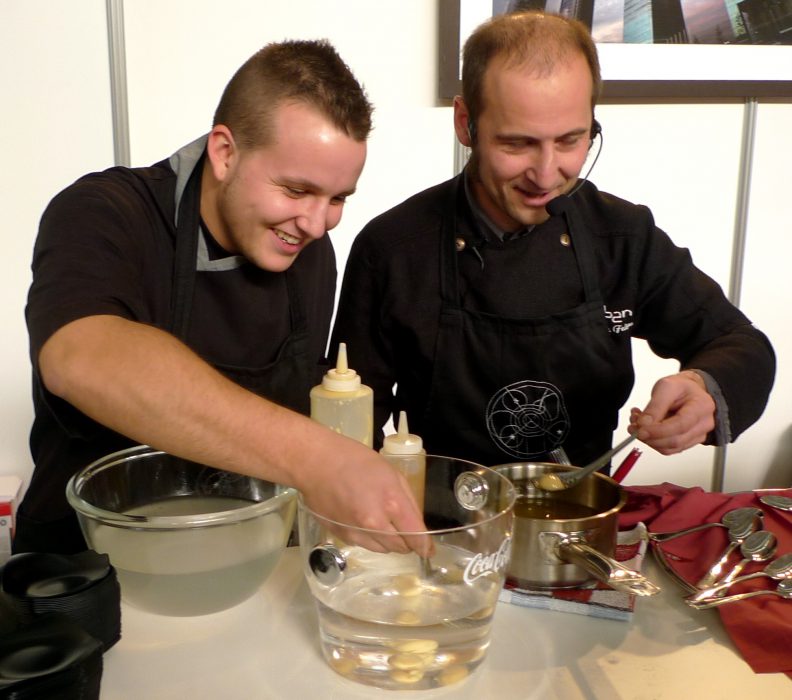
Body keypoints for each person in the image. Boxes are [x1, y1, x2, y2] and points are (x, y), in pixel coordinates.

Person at [18, 39, 425, 556]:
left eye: (338, 198)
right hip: (90, 563)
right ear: (225, 153)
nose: (316, 223)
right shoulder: (103, 212)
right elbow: (81, 356)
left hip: (240, 558)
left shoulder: (307, 249)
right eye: (296, 190)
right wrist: (316, 456)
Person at [330, 12, 775, 471]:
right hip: (441, 510)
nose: (546, 176)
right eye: (517, 144)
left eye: (570, 141)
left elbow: (740, 343)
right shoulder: (394, 249)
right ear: (466, 123)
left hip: (582, 510)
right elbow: (348, 426)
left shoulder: (622, 237)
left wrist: (704, 388)